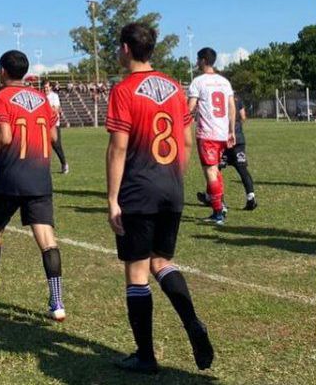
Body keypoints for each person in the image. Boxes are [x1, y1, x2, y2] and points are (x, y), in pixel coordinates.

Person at [106, 23, 213, 374]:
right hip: (172, 185)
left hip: (139, 188)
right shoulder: (173, 87)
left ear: (125, 49)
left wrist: (112, 198)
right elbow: (184, 140)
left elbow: (118, 147)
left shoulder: (123, 90)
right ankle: (192, 321)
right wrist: (174, 179)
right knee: (162, 261)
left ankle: (146, 355)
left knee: (137, 271)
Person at [0, 51, 66, 321]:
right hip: (40, 177)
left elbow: (4, 137)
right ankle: (57, 303)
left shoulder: (0, 98)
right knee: (47, 240)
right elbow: (53, 135)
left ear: (3, 71)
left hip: (9, 177)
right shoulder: (42, 99)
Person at [187, 47, 235, 224]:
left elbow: (190, 108)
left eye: (198, 59)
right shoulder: (224, 82)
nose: (197, 63)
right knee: (215, 169)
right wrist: (231, 130)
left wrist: (180, 121)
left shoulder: (198, 82)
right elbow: (231, 107)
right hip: (222, 133)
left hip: (207, 133)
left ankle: (218, 213)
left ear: (203, 60)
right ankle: (220, 204)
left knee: (210, 171)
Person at [212, 97, 257, 210]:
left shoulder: (218, 99)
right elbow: (243, 117)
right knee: (243, 169)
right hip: (238, 139)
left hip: (222, 139)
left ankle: (219, 200)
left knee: (215, 170)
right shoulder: (238, 100)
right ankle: (251, 197)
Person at [43, 79, 69, 174]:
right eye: (44, 87)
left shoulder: (54, 96)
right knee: (44, 146)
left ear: (50, 87)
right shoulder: (41, 96)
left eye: (47, 87)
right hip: (44, 124)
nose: (45, 89)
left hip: (54, 124)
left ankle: (64, 163)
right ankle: (45, 167)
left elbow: (56, 109)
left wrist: (46, 109)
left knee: (57, 145)